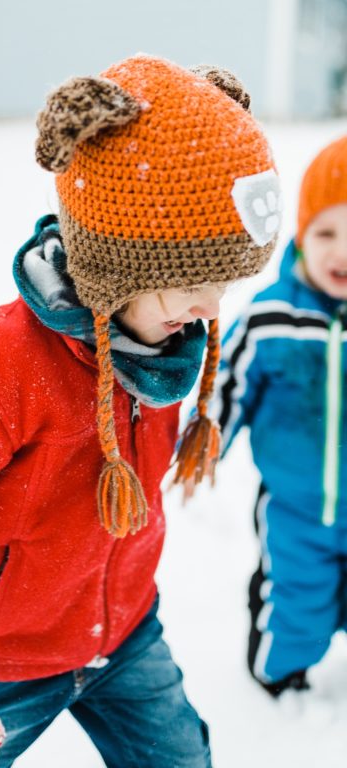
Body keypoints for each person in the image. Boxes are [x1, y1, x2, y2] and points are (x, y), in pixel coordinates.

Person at [0, 55, 282, 767]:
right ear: (118, 269)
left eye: (226, 283)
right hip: (4, 658)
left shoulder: (171, 343)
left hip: (125, 636)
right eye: (193, 285)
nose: (213, 311)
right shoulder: (1, 361)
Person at [182, 135, 347, 698]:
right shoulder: (272, 318)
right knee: (296, 604)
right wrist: (206, 439)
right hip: (295, 510)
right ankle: (280, 678)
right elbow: (228, 385)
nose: (340, 253)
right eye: (326, 233)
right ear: (301, 235)